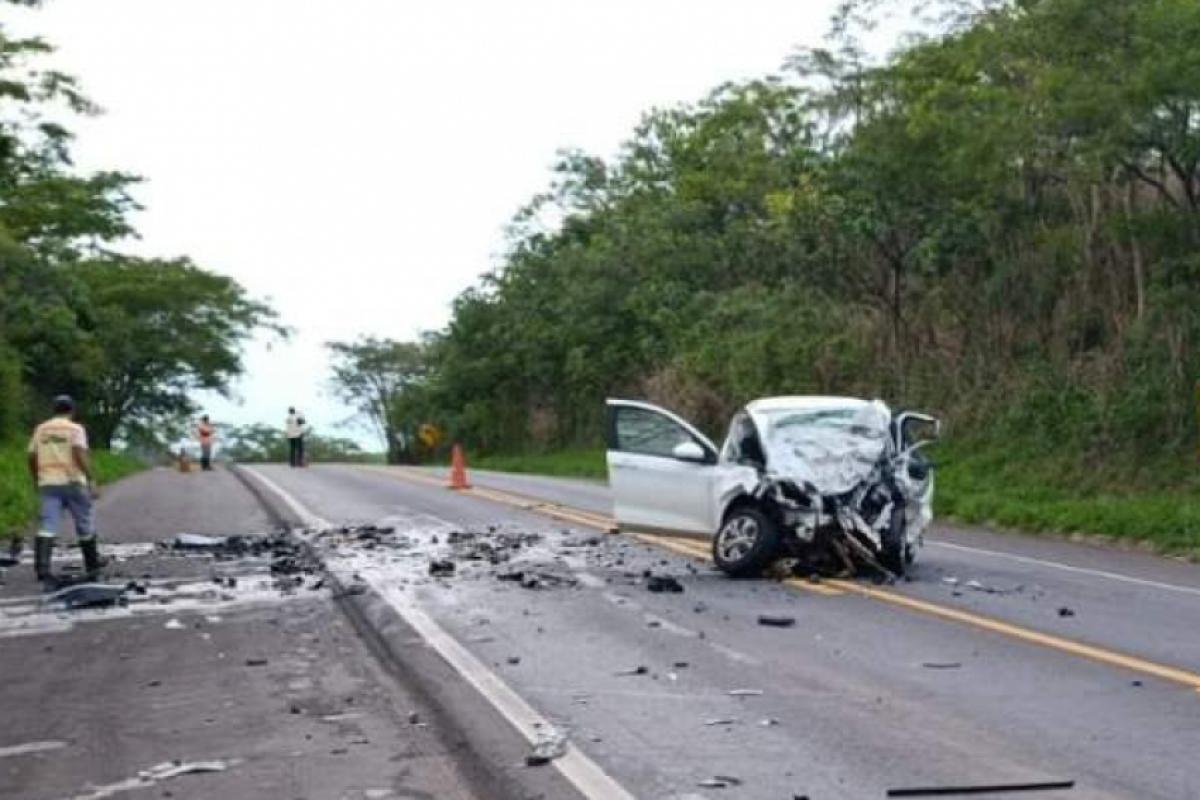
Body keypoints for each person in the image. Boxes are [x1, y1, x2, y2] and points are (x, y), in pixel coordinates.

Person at [26, 395, 102, 585]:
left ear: (54, 409)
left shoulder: (41, 429)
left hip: (48, 483)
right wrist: (91, 478)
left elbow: (31, 456)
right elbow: (79, 452)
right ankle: (92, 566)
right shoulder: (75, 429)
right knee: (84, 524)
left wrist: (36, 478)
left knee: (47, 525)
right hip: (73, 481)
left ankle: (42, 569)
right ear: (72, 410)